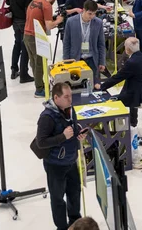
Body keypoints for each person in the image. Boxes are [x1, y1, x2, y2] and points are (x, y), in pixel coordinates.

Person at [36, 82, 87, 230]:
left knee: (74, 193)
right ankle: (62, 227)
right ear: (56, 98)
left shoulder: (70, 110)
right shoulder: (47, 117)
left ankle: (75, 223)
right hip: (55, 165)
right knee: (58, 198)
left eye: (70, 95)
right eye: (66, 97)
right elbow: (41, 142)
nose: (70, 99)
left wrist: (78, 134)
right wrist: (62, 137)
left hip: (71, 161)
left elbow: (73, 126)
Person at [95, 37, 142, 127]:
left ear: (127, 49)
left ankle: (119, 131)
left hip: (138, 96)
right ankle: (133, 123)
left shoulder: (131, 62)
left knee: (111, 101)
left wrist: (102, 86)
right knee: (130, 93)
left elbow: (117, 78)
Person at [25, 0, 64, 97]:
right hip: (36, 37)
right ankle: (39, 90)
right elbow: (49, 25)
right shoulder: (47, 6)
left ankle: (39, 85)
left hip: (27, 35)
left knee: (33, 62)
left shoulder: (34, 1)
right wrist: (58, 20)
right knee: (40, 63)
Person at [63, 0, 106, 81]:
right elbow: (66, 43)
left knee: (93, 84)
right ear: (83, 10)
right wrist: (66, 61)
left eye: (94, 14)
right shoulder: (71, 22)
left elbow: (101, 44)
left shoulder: (98, 22)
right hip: (76, 59)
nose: (92, 16)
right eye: (90, 13)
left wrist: (102, 62)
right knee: (77, 84)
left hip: (92, 59)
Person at [7, 0, 36, 82]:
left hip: (14, 19)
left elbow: (8, 1)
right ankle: (24, 74)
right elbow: (29, 10)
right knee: (25, 47)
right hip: (24, 21)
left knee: (17, 43)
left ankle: (14, 69)